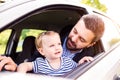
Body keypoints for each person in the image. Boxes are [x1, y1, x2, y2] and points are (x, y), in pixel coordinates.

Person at [0, 14, 104, 71]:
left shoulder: (88, 61)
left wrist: (80, 65)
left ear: (90, 44)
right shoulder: (52, 41)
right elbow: (32, 62)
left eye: (81, 39)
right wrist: (16, 68)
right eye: (75, 31)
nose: (73, 39)